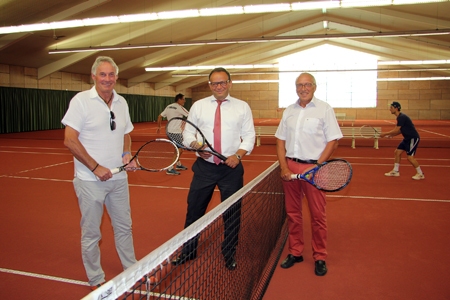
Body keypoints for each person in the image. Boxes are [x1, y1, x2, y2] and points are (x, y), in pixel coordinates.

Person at [61, 56, 139, 290]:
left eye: (111, 74)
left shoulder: (122, 102)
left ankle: (132, 268)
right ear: (93, 76)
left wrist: (127, 153)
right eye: (102, 74)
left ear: (116, 76)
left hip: (119, 179)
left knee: (125, 227)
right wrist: (95, 167)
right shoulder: (81, 101)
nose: (107, 79)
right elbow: (69, 140)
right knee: (92, 233)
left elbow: (126, 132)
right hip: (89, 181)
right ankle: (96, 278)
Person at [171, 67, 255, 271]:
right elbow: (188, 134)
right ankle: (189, 251)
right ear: (210, 85)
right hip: (204, 168)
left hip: (231, 168)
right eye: (214, 83)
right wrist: (197, 147)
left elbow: (249, 136)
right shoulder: (198, 106)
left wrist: (238, 156)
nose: (219, 86)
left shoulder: (242, 107)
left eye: (222, 82)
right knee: (194, 211)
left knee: (232, 213)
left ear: (229, 83)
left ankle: (229, 252)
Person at [275, 73, 342, 276]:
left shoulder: (325, 109)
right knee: (293, 214)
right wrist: (284, 167)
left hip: (315, 170)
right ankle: (296, 252)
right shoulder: (289, 111)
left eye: (307, 85)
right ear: (296, 88)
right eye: (299, 85)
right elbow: (280, 140)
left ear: (314, 86)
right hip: (291, 168)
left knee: (317, 216)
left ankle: (320, 256)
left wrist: (318, 165)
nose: (303, 88)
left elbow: (333, 141)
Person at [381, 101, 424, 180]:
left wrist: (384, 134)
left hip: (412, 138)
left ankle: (420, 174)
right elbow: (400, 130)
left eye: (391, 108)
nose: (390, 109)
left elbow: (396, 129)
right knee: (397, 152)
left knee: (410, 157)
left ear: (396, 108)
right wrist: (391, 135)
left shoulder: (402, 117)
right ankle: (395, 171)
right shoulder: (400, 117)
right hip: (406, 138)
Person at [156, 93, 189, 175]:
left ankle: (178, 164)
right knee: (179, 150)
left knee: (178, 149)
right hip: (176, 132)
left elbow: (160, 116)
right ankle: (170, 168)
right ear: (179, 100)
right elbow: (190, 115)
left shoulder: (168, 106)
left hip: (169, 132)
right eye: (183, 99)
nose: (184, 101)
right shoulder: (179, 107)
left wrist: (159, 127)